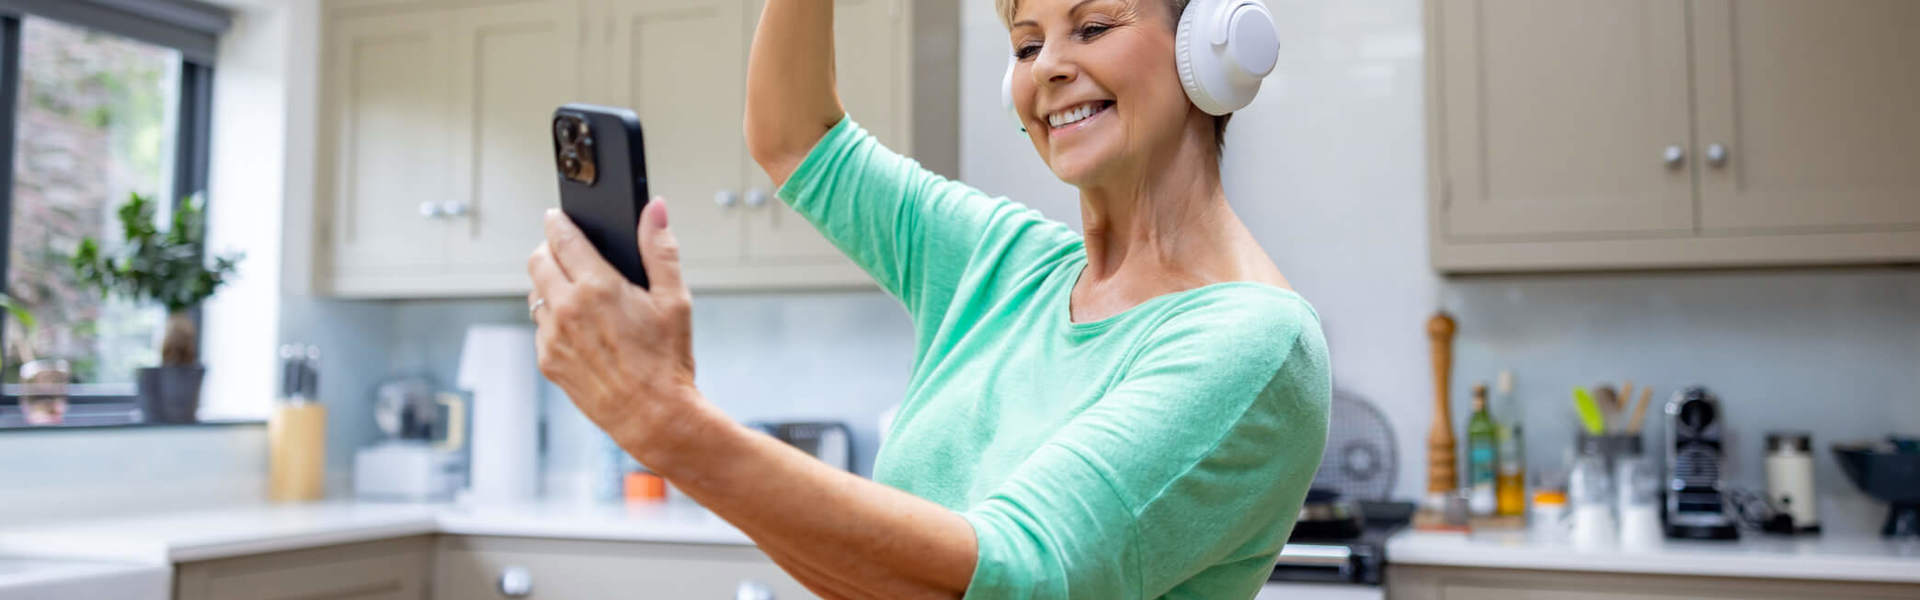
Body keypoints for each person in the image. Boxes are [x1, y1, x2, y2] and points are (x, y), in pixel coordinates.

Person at [525, 0, 1330, 596]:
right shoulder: (1005, 265)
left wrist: (667, 423)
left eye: (1092, 28)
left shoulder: (1253, 340)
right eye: (1026, 44)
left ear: (1210, 47)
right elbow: (798, 140)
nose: (1049, 66)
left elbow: (1014, 577)